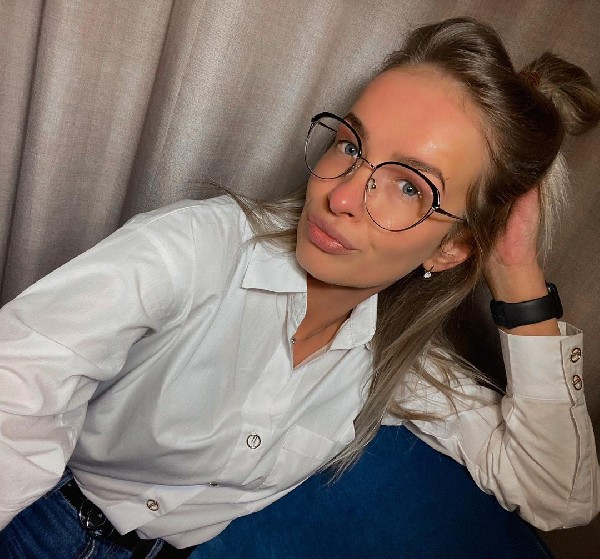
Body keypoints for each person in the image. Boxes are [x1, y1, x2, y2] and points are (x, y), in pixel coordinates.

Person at [1, 16, 599, 559]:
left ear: (451, 249)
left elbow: (560, 497)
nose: (341, 195)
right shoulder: (192, 250)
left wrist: (517, 274)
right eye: (351, 146)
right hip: (39, 521)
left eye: (409, 187)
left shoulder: (396, 360)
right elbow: (19, 392)